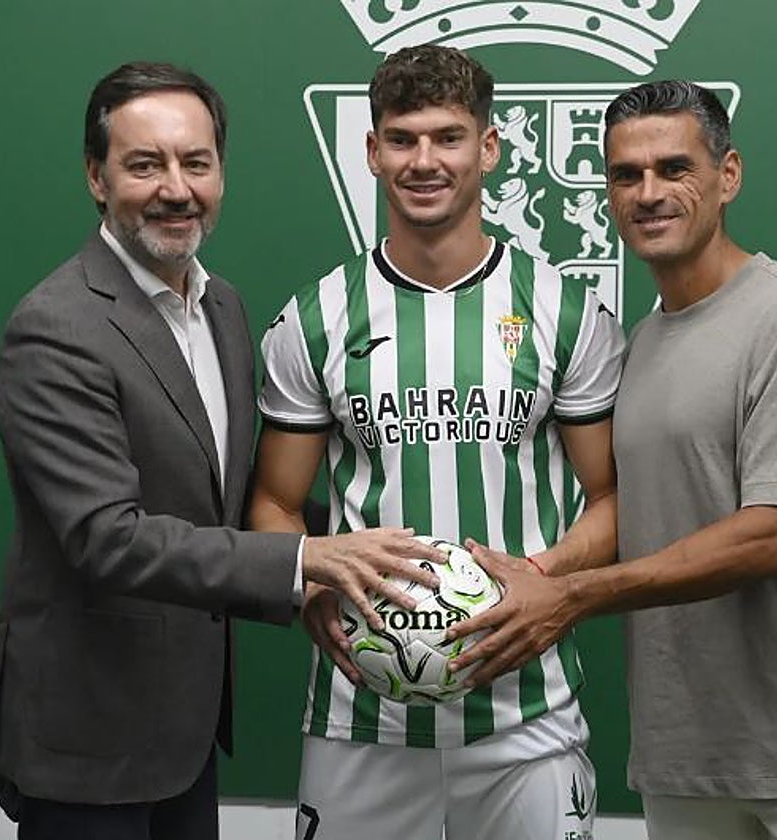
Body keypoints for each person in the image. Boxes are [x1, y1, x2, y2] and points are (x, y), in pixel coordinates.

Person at [0, 61, 442, 840]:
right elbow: (107, 538)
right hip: (87, 743)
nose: (175, 187)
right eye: (144, 164)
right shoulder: (57, 328)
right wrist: (309, 563)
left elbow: (220, 499)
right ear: (97, 178)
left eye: (196, 162)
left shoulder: (220, 305)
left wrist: (392, 538)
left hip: (184, 734)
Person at [448, 80, 777, 838]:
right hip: (686, 766)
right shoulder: (643, 344)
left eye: (674, 169)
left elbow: (772, 536)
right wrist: (541, 576)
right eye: (625, 175)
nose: (648, 193)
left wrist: (574, 598)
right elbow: (648, 508)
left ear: (727, 176)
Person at [249, 44, 625, 840]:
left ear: (488, 148)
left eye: (449, 137)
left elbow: (613, 498)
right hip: (361, 715)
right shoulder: (313, 319)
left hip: (528, 712)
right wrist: (314, 584)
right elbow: (276, 501)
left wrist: (541, 581)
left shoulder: (564, 312)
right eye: (404, 138)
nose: (425, 160)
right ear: (372, 151)